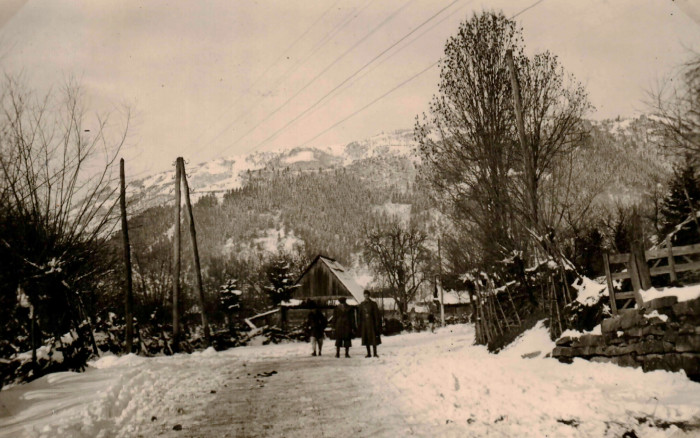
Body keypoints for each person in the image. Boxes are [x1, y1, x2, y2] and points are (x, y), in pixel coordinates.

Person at [358, 290, 381, 358]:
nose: (366, 296)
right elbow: (359, 315)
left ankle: (375, 353)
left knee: (374, 338)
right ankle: (368, 353)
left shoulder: (373, 304)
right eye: (365, 295)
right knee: (366, 338)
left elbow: (376, 314)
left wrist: (377, 323)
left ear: (369, 295)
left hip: (372, 324)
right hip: (365, 324)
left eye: (367, 295)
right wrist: (360, 324)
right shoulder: (361, 304)